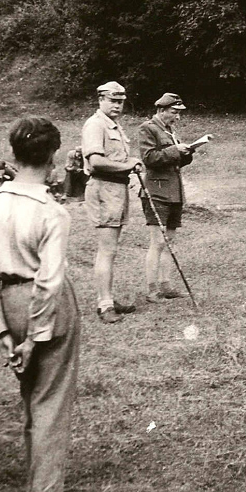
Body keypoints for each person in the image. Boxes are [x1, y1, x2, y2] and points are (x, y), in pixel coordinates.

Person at [0, 117, 81, 492]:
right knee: (50, 401)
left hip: (8, 302)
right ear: (53, 156)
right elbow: (49, 282)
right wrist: (36, 339)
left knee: (30, 394)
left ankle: (38, 481)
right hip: (46, 309)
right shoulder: (52, 212)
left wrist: (2, 331)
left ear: (14, 154)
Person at [137, 93, 208, 303]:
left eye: (178, 113)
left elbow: (174, 161)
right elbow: (149, 158)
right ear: (161, 110)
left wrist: (187, 153)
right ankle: (152, 290)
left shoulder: (170, 130)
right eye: (174, 112)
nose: (177, 117)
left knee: (170, 241)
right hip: (156, 192)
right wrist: (174, 150)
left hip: (174, 192)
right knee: (157, 242)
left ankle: (166, 286)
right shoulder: (148, 128)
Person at [81, 81, 141, 323]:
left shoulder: (114, 125)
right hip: (103, 188)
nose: (117, 105)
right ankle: (104, 305)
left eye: (121, 101)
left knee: (112, 250)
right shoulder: (95, 125)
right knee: (107, 250)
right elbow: (95, 161)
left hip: (117, 188)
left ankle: (108, 297)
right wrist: (128, 164)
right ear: (100, 100)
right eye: (113, 100)